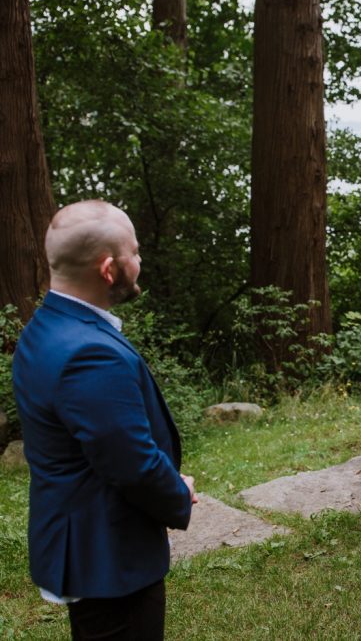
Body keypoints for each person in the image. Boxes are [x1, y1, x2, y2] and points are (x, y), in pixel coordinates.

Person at [12, 200, 197, 640]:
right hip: (107, 553)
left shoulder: (46, 325)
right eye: (134, 252)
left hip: (79, 534)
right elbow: (131, 463)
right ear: (109, 269)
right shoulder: (88, 354)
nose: (140, 260)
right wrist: (177, 491)